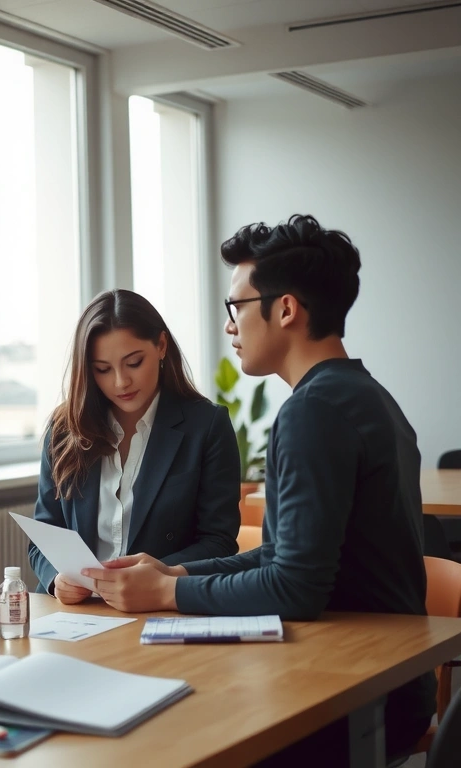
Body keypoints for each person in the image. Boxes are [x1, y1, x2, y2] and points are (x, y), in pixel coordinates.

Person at [82, 215, 435, 763]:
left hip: (353, 697)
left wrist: (167, 594)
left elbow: (295, 588)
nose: (230, 327)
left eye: (237, 308)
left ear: (286, 309)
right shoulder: (366, 395)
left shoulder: (313, 412)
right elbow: (278, 556)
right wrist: (176, 572)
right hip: (377, 678)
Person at [30, 289, 240, 604]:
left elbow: (219, 541)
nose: (120, 382)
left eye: (134, 362)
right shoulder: (65, 430)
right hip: (77, 614)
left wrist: (159, 574)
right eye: (102, 369)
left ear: (161, 346)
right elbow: (43, 535)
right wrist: (56, 579)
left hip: (158, 606)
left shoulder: (206, 426)